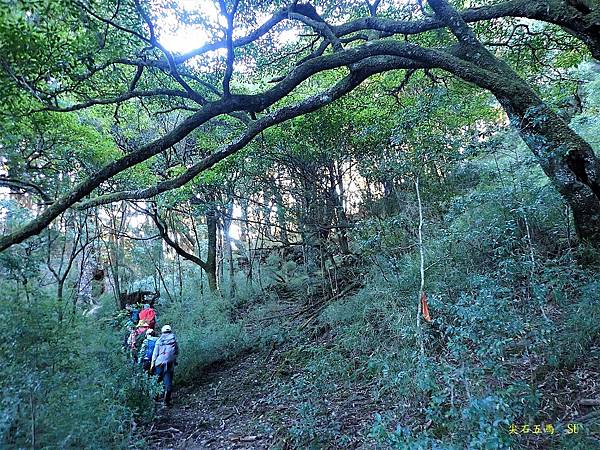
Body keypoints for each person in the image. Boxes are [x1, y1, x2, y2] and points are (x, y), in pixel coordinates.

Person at [151, 325, 179, 407]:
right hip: (169, 364)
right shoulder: (174, 340)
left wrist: (152, 364)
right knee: (168, 382)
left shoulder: (159, 341)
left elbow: (155, 354)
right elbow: (176, 352)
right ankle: (166, 401)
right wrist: (174, 361)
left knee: (157, 380)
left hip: (159, 364)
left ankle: (155, 398)